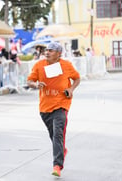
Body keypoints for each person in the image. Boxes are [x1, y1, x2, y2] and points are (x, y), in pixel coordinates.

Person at [27, 42, 80, 177]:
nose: (47, 52)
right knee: (54, 135)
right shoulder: (39, 65)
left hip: (62, 104)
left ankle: (57, 165)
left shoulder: (66, 65)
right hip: (45, 107)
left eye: (51, 50)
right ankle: (62, 150)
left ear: (58, 54)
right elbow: (29, 81)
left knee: (58, 134)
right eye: (47, 50)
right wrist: (36, 84)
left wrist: (71, 89)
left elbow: (77, 78)